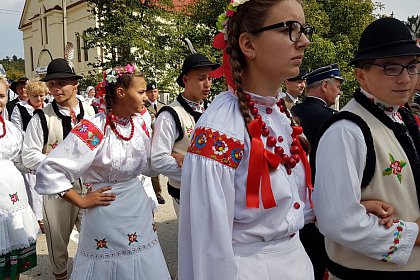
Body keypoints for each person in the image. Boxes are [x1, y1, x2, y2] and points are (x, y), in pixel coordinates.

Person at [178, 1, 316, 279]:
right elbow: (208, 248)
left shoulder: (279, 113)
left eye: (303, 29)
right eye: (290, 29)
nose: (304, 41)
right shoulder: (220, 130)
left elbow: (292, 203)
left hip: (296, 261)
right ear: (248, 45)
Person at [35, 64, 171, 279]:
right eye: (141, 92)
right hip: (106, 211)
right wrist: (80, 201)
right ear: (121, 92)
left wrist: (179, 160)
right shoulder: (95, 127)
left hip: (137, 208)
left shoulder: (138, 124)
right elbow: (50, 170)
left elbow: (149, 165)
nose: (146, 97)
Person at [313, 17, 420, 279]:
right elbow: (338, 221)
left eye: (412, 66)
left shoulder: (401, 117)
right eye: (390, 68)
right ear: (361, 75)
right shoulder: (347, 131)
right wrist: (413, 235)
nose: (405, 78)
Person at [22, 58, 95, 280]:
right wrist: (59, 162)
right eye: (52, 84)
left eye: (61, 83)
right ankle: (61, 276)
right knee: (58, 240)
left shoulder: (90, 112)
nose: (55, 88)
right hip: (58, 190)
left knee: (96, 235)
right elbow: (29, 155)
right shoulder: (42, 118)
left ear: (75, 84)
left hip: (90, 185)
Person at [151, 53, 219, 217]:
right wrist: (199, 171)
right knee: (195, 241)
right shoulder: (170, 115)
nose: (207, 84)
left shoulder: (214, 109)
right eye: (201, 78)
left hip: (216, 191)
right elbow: (158, 160)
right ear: (185, 79)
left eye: (210, 78)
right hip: (188, 194)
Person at [0, 76, 39, 280]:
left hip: (14, 199)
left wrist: (49, 166)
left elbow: (23, 161)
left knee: (11, 267)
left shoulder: (12, 130)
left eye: (1, 95)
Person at [10, 78, 48, 231]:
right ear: (29, 96)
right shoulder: (20, 109)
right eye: (35, 96)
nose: (39, 99)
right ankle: (37, 218)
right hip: (29, 150)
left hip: (45, 149)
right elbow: (17, 130)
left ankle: (46, 216)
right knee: (32, 187)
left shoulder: (49, 109)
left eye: (41, 96)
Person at [291, 64, 344, 146]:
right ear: (325, 86)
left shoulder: (292, 111)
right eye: (338, 87)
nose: (339, 92)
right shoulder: (330, 117)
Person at [145, 82, 166, 204]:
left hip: (161, 139)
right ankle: (157, 193)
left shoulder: (163, 106)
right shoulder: (144, 106)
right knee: (152, 165)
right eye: (150, 92)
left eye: (155, 91)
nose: (153, 94)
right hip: (150, 140)